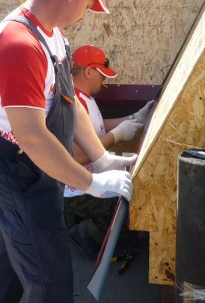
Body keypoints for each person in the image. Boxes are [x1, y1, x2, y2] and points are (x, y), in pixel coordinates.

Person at [0, 0, 134, 302]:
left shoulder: (55, 38)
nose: (84, 16)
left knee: (9, 261)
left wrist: (102, 159)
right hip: (19, 174)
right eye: (87, 6)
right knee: (50, 281)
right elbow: (32, 137)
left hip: (43, 170)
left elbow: (68, 103)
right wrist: (92, 184)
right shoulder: (19, 46)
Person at [64, 45, 155, 259]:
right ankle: (84, 232)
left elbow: (97, 127)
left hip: (88, 181)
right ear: (88, 71)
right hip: (78, 191)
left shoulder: (83, 97)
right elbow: (78, 156)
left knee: (131, 196)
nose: (104, 79)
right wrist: (117, 135)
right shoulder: (74, 101)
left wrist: (133, 118)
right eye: (102, 73)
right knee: (130, 206)